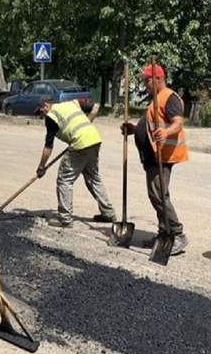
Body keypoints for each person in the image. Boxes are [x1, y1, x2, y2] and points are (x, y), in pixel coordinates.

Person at [121, 63, 188, 255]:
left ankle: (176, 234)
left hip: (164, 155)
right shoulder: (156, 99)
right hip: (152, 155)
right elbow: (151, 125)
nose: (144, 84)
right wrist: (134, 129)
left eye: (146, 80)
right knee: (156, 195)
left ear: (158, 79)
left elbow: (178, 122)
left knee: (159, 195)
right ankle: (163, 232)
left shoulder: (169, 97)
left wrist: (166, 132)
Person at [35, 97, 116, 227]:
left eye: (40, 111)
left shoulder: (51, 117)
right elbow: (95, 106)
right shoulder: (71, 103)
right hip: (94, 139)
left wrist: (41, 167)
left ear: (46, 105)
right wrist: (87, 124)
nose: (41, 115)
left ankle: (65, 219)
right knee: (93, 178)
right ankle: (108, 213)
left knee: (65, 179)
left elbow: (48, 146)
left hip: (80, 143)